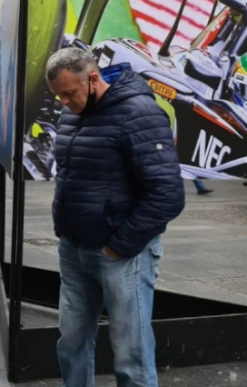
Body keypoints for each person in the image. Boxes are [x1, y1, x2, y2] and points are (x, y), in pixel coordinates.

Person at [45, 49, 184, 387]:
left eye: (69, 93)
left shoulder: (139, 113)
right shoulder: (71, 115)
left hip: (123, 255)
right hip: (74, 249)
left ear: (93, 79)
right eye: (58, 95)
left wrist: (119, 247)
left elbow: (167, 194)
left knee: (130, 355)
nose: (63, 102)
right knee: (72, 344)